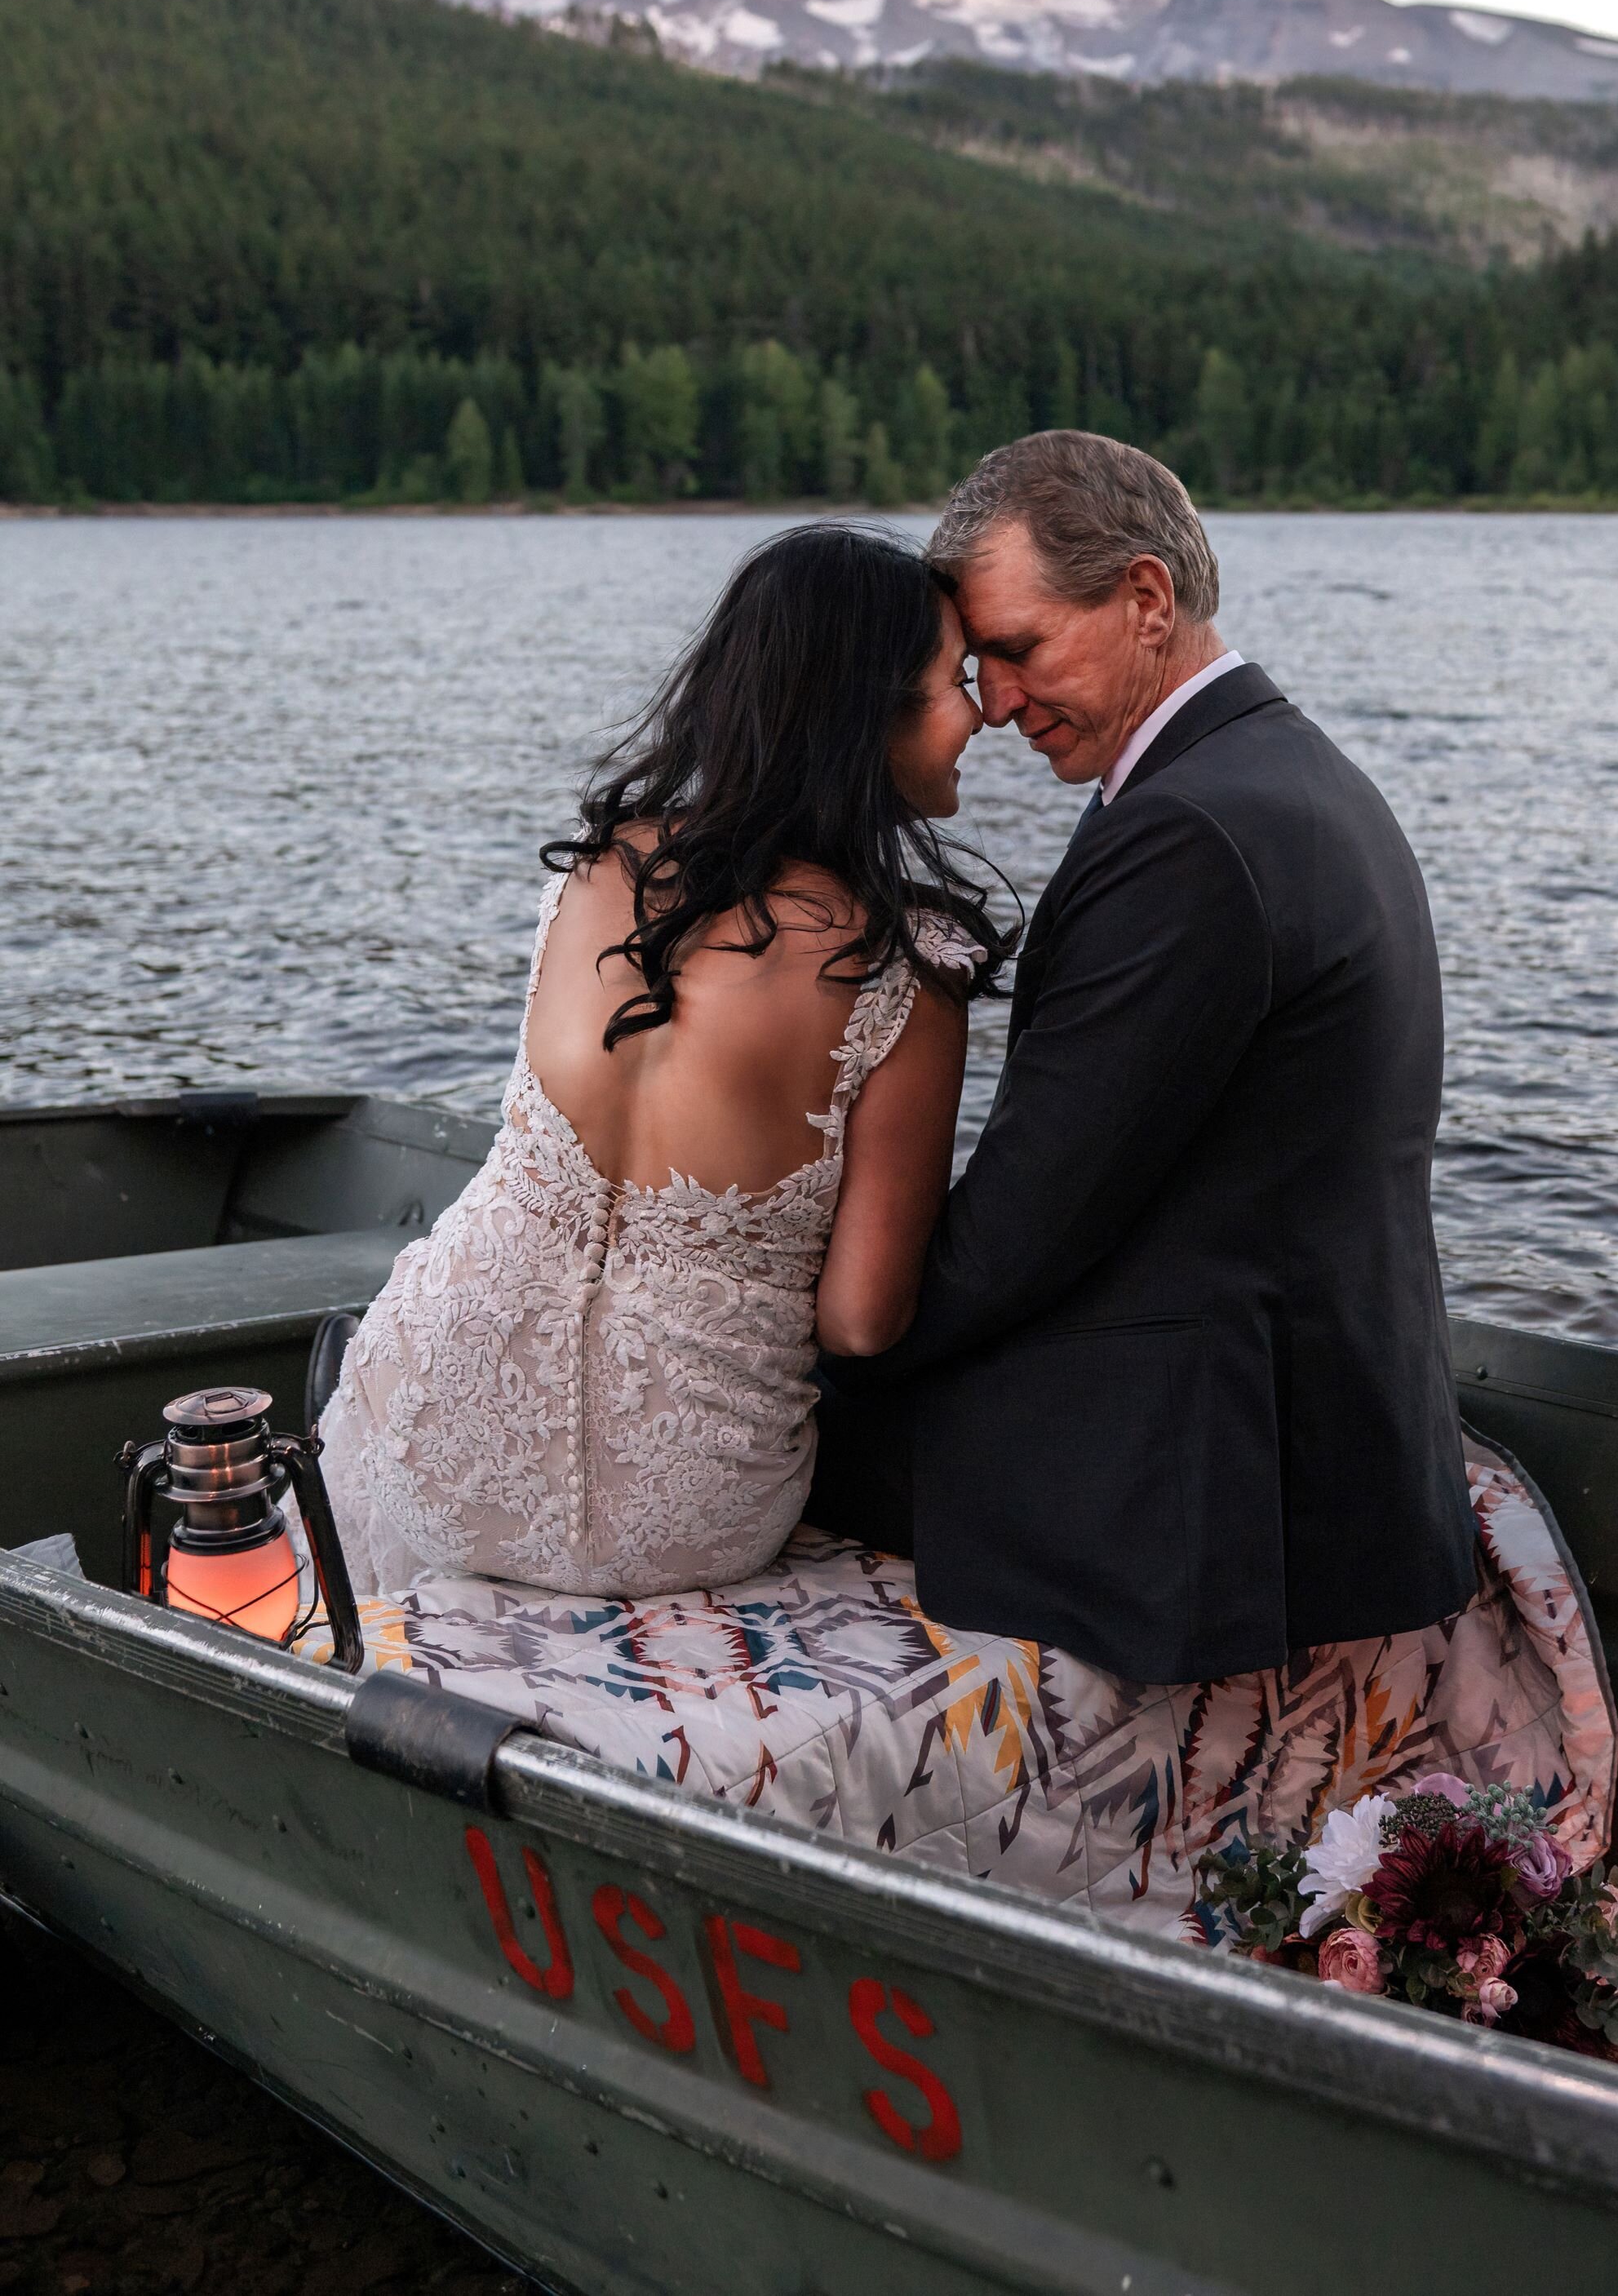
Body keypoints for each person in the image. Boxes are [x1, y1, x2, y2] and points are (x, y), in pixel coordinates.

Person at [814, 430, 1475, 1685]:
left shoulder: (1189, 833)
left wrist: (827, 1344)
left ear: (1145, 598)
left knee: (758, 1415)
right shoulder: (1274, 772)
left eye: (1016, 650)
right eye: (976, 666)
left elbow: (1023, 1225)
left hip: (1220, 1479)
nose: (995, 703)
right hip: (1298, 1404)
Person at [317, 525, 1004, 1598]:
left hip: (425, 1429)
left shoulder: (593, 873)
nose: (984, 711)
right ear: (863, 712)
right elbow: (861, 1319)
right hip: (679, 1507)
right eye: (951, 681)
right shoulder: (904, 971)